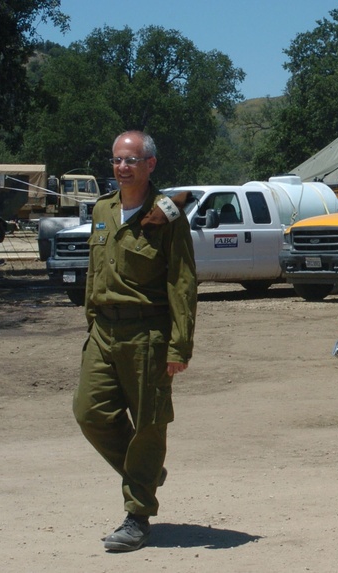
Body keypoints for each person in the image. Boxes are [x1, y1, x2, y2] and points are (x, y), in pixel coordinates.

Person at [73, 131, 197, 552]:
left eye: (131, 160)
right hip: (104, 331)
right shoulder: (102, 209)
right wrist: (91, 318)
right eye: (116, 160)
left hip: (147, 335)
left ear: (150, 165)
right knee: (89, 411)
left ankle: (138, 515)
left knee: (148, 424)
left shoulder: (166, 215)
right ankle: (144, 472)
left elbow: (182, 283)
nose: (122, 167)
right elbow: (95, 268)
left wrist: (179, 347)